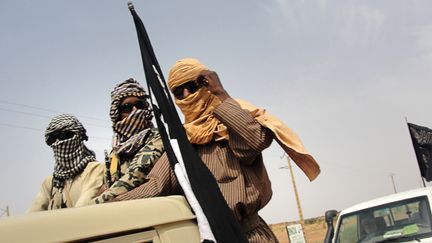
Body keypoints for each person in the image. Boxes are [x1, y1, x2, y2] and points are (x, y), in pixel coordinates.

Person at [114, 58, 320, 242]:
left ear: (206, 84)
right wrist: (101, 206)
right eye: (178, 92)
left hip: (251, 235)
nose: (186, 95)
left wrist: (221, 93)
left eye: (191, 86)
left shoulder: (230, 123)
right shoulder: (182, 143)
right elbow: (156, 186)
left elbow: (255, 140)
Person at [90, 78, 164, 204]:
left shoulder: (158, 138)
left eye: (139, 105)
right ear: (117, 114)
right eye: (127, 108)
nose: (135, 111)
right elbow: (107, 185)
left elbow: (136, 174)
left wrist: (93, 205)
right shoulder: (115, 154)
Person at [28, 114, 105, 212]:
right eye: (52, 139)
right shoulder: (50, 183)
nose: (57, 142)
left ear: (78, 136)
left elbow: (82, 209)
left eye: (62, 136)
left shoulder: (94, 170)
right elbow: (32, 214)